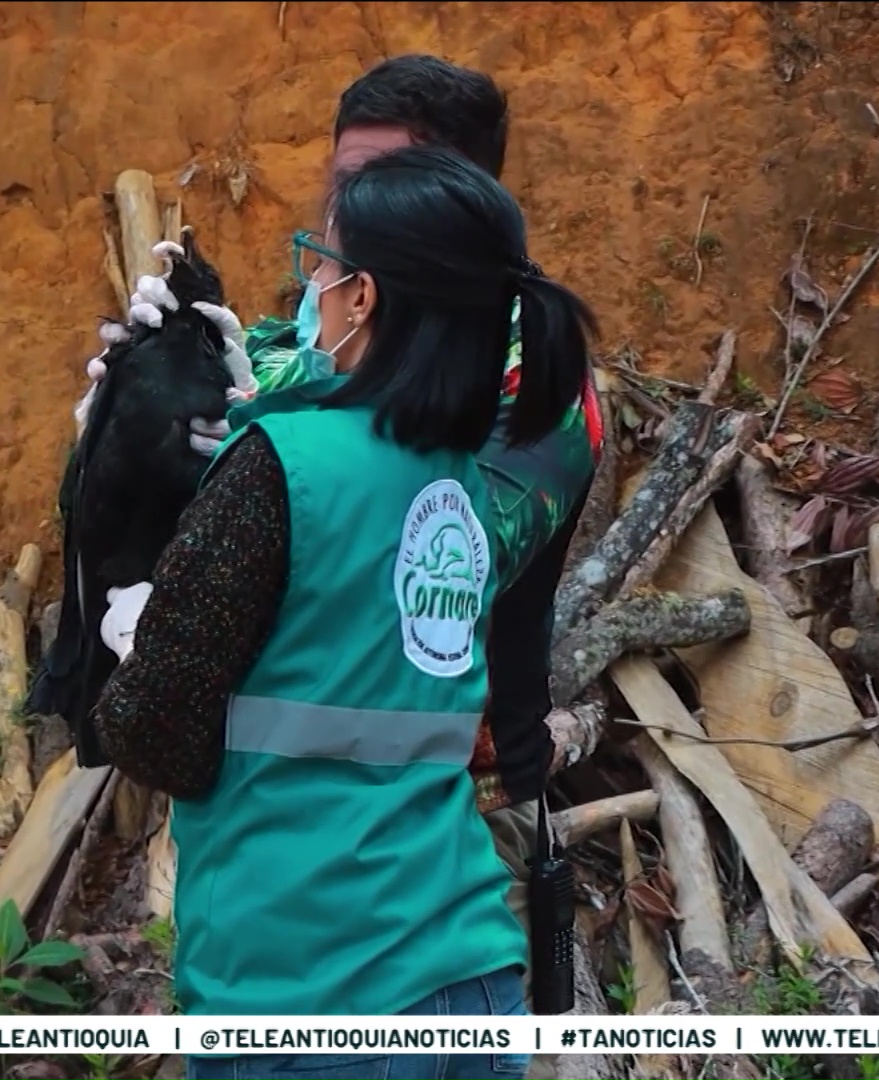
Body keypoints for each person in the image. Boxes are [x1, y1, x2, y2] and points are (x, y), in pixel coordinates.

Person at [76, 53, 605, 1021]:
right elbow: (302, 401)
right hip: (404, 929)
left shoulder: (534, 406)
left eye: (346, 228)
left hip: (334, 933)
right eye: (341, 189)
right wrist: (156, 390)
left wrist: (198, 511)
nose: (312, 276)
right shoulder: (368, 393)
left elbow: (361, 545)